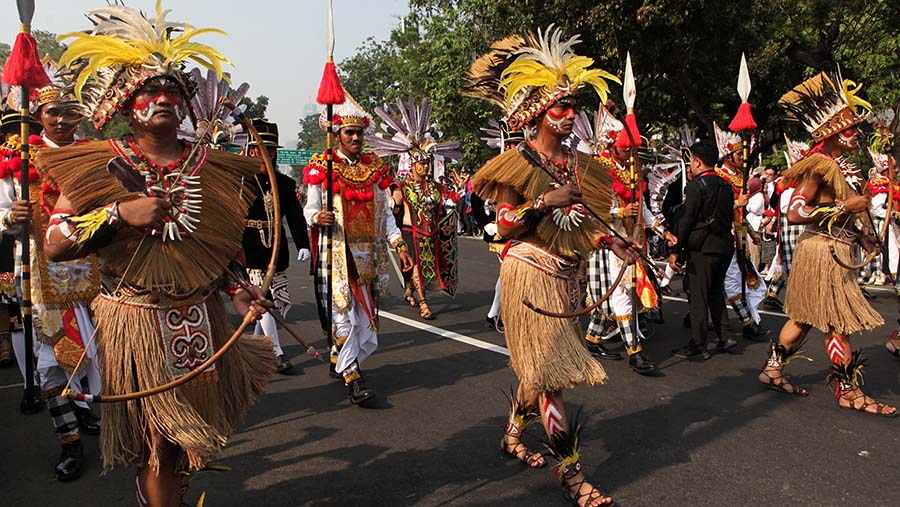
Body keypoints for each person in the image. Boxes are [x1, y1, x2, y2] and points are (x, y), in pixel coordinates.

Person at [40, 4, 275, 504]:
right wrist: (119, 216)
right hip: (138, 319)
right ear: (125, 103)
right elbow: (56, 245)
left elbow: (215, 246)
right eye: (149, 89)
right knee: (158, 446)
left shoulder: (209, 166)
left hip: (199, 315)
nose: (162, 97)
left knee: (190, 443)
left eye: (172, 89)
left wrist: (238, 290)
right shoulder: (99, 165)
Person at [468, 26, 638, 507]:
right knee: (553, 380)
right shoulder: (516, 163)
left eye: (572, 108)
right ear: (538, 115)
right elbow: (503, 226)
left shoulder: (579, 164)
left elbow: (584, 222)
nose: (569, 117)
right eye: (560, 109)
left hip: (566, 278)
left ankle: (511, 435)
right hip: (528, 275)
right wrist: (543, 200)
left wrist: (613, 242)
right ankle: (572, 475)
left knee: (538, 372)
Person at [759, 71, 896, 417]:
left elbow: (846, 216)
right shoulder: (818, 167)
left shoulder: (842, 167)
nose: (855, 134)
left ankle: (772, 368)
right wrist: (842, 206)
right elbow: (794, 211)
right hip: (821, 251)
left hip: (833, 247)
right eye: (849, 129)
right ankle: (847, 389)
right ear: (833, 134)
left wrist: (863, 235)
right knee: (836, 322)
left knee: (804, 318)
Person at [0, 65, 106, 481]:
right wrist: (14, 216)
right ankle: (70, 442)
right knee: (52, 361)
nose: (62, 121)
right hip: (42, 275)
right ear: (38, 115)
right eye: (53, 113)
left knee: (101, 353)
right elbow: (2, 213)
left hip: (93, 272)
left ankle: (87, 410)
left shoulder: (93, 154)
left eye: (70, 113)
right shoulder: (17, 156)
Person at [303, 91, 414, 405]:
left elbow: (385, 215)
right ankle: (352, 374)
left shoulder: (374, 168)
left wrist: (399, 244)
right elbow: (308, 209)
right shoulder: (322, 166)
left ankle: (339, 356)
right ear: (337, 134)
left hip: (368, 256)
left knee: (364, 317)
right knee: (343, 316)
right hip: (337, 254)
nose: (355, 137)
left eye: (359, 133)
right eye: (349, 132)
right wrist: (317, 216)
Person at [574, 106, 676, 374]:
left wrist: (661, 230)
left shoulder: (632, 170)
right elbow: (589, 208)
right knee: (621, 295)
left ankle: (592, 340)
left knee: (610, 296)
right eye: (624, 148)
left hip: (631, 239)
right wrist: (619, 211)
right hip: (608, 242)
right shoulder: (598, 169)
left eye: (631, 149)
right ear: (612, 146)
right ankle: (635, 353)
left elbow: (641, 209)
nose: (630, 153)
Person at [370, 96, 461, 320]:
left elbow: (446, 209)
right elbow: (393, 210)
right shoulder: (401, 186)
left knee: (426, 269)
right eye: (421, 163)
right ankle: (423, 304)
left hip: (431, 235)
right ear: (412, 164)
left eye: (428, 163)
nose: (426, 167)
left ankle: (409, 291)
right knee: (417, 268)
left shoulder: (436, 187)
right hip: (411, 235)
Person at [243, 118, 310, 373]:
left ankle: (255, 344)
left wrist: (302, 243)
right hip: (250, 246)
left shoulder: (285, 183)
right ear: (250, 150)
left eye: (269, 150)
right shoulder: (240, 181)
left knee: (278, 302)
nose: (263, 154)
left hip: (276, 247)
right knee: (265, 299)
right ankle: (276, 350)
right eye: (258, 149)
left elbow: (294, 216)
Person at [670, 140, 737, 358]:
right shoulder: (726, 185)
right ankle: (724, 336)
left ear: (698, 162)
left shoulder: (696, 186)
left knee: (698, 295)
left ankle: (698, 344)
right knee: (717, 292)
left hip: (703, 248)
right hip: (724, 245)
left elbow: (686, 221)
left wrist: (677, 249)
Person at [713, 123, 769, 340]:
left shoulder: (739, 175)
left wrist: (751, 231)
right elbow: (715, 209)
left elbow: (740, 213)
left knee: (746, 277)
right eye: (738, 153)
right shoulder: (719, 177)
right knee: (732, 279)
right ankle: (747, 321)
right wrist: (737, 203)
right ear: (728, 155)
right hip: (722, 236)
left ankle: (749, 318)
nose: (742, 157)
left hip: (738, 235)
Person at [764, 136, 809, 311]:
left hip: (798, 228)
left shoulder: (801, 183)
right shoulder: (789, 184)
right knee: (792, 265)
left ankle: (773, 294)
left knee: (784, 263)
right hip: (792, 230)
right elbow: (784, 208)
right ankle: (796, 302)